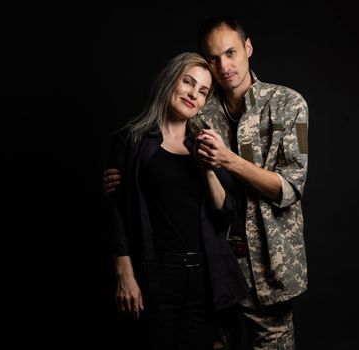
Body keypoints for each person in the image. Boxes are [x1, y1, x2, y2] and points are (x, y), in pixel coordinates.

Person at [104, 15, 308, 350]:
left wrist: (227, 161)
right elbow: (151, 167)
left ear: (248, 48)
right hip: (214, 271)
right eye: (213, 58)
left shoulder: (288, 104)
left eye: (230, 53)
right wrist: (121, 178)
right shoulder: (197, 110)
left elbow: (289, 189)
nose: (223, 66)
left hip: (270, 270)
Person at [105, 52, 248, 350]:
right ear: (171, 80)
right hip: (154, 277)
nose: (193, 95)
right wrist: (124, 272)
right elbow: (117, 211)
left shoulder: (205, 144)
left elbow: (226, 216)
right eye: (188, 83)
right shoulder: (131, 140)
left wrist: (208, 171)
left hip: (202, 281)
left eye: (203, 92)